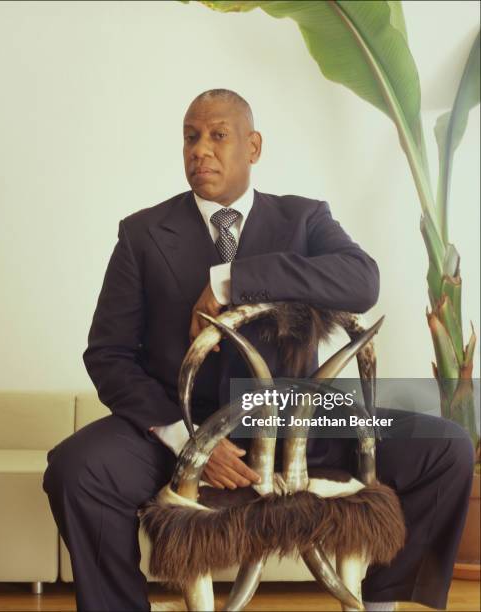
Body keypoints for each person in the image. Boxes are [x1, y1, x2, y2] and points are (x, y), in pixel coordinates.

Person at [42, 89, 474, 612]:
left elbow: (362, 280)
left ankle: (382, 600)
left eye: (218, 136)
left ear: (254, 146)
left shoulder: (305, 219)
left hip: (307, 421)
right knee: (76, 468)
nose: (200, 150)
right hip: (186, 421)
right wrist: (189, 440)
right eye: (190, 137)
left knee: (446, 445)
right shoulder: (141, 234)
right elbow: (107, 354)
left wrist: (233, 279)